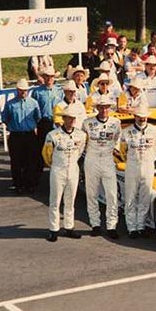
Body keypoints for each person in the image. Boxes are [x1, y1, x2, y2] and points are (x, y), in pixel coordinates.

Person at [42, 102, 87, 242]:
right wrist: (55, 164)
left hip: (73, 169)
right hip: (58, 169)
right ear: (64, 118)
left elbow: (80, 151)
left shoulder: (81, 135)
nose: (71, 120)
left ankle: (69, 227)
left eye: (73, 118)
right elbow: (46, 155)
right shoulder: (53, 135)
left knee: (70, 200)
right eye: (68, 117)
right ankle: (53, 229)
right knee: (55, 200)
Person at [119, 100, 156, 239]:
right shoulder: (126, 132)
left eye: (144, 116)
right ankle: (132, 227)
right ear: (135, 117)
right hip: (132, 166)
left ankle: (141, 226)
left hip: (148, 166)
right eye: (139, 116)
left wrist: (149, 160)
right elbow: (122, 151)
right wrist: (131, 161)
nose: (142, 118)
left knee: (145, 197)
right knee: (130, 197)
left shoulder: (154, 131)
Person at [82, 93, 121, 238]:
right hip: (91, 159)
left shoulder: (115, 123)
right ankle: (95, 224)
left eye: (106, 107)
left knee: (111, 194)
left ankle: (111, 226)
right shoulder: (87, 122)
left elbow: (118, 139)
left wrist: (115, 150)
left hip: (107, 159)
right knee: (91, 193)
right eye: (101, 107)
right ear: (97, 108)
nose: (104, 110)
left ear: (110, 108)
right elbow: (82, 140)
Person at [2, 78, 41, 194]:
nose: (23, 92)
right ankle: (18, 184)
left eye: (25, 90)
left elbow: (37, 117)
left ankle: (30, 184)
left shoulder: (33, 103)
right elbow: (5, 118)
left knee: (30, 161)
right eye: (21, 90)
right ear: (17, 90)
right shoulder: (10, 104)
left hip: (29, 134)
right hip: (16, 135)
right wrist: (13, 126)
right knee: (16, 161)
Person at [31, 70, 63, 173]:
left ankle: (56, 173)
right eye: (47, 77)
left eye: (51, 77)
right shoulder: (37, 92)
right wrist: (35, 125)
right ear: (43, 78)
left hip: (57, 123)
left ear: (54, 78)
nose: (49, 79)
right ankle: (37, 176)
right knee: (41, 149)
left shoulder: (59, 91)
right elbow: (34, 110)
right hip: (43, 122)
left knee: (57, 148)